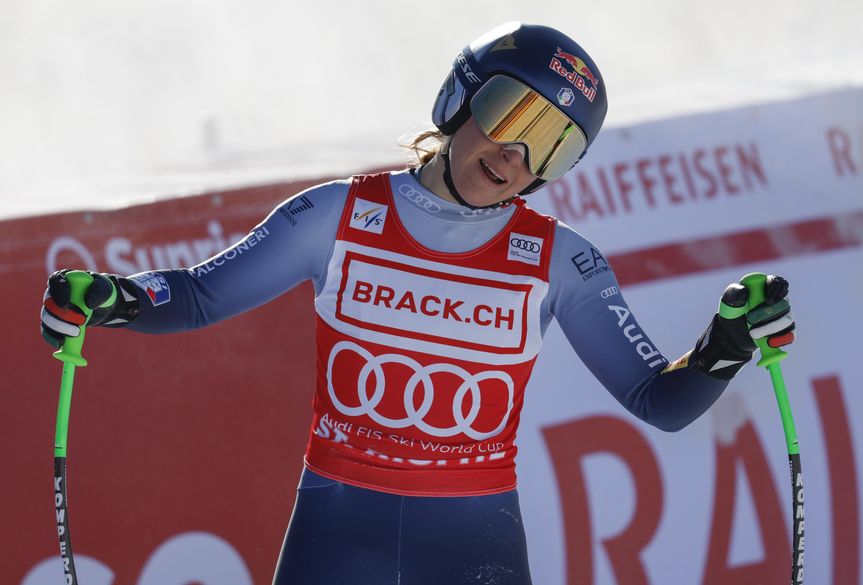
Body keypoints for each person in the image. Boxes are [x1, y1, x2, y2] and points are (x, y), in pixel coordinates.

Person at [40, 22, 795, 585]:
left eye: (553, 146)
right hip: (335, 538)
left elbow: (657, 399)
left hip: (476, 547)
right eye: (511, 118)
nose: (515, 157)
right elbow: (201, 296)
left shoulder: (561, 260)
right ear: (460, 97)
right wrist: (114, 298)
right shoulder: (336, 216)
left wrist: (725, 341)